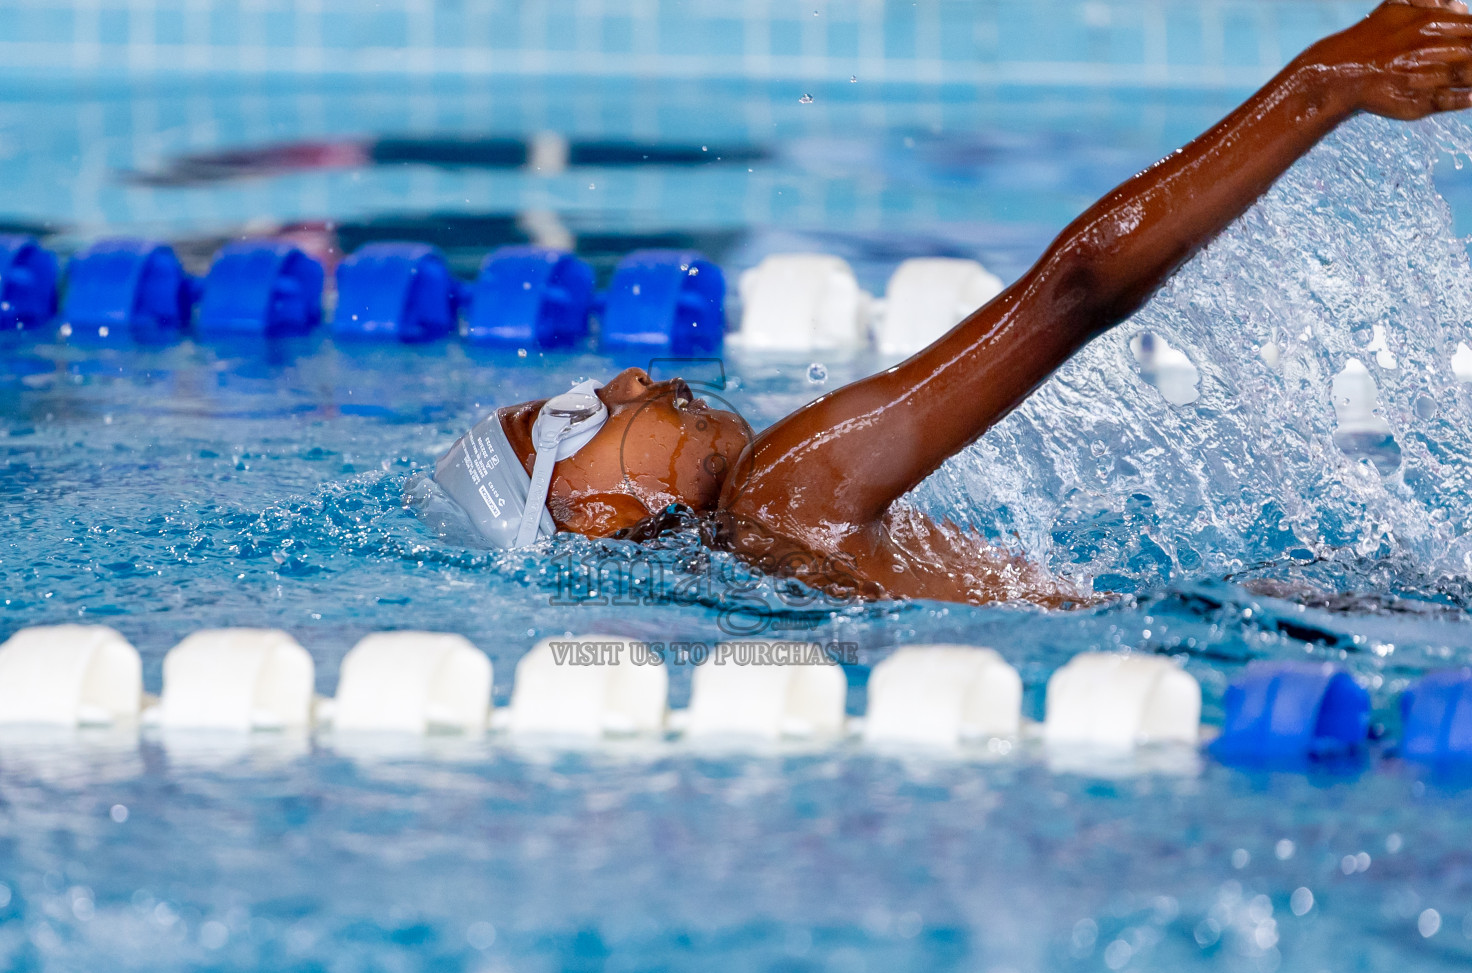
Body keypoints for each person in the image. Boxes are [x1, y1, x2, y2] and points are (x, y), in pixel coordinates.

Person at [433, 0, 1472, 606]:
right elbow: (1071, 290)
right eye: (577, 412)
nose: (626, 378)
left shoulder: (769, 573)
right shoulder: (780, 495)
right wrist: (1319, 85)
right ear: (599, 516)